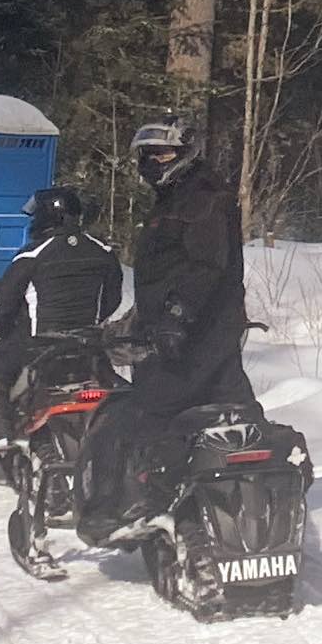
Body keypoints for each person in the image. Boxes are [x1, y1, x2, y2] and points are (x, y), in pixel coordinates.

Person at [89, 116, 256, 527]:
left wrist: (176, 317)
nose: (151, 162)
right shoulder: (175, 198)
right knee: (232, 413)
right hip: (190, 332)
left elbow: (205, 267)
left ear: (184, 154)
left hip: (193, 336)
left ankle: (148, 502)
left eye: (161, 153)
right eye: (145, 155)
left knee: (151, 412)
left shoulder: (202, 199)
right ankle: (211, 497)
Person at [0, 183, 124, 454]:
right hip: (89, 343)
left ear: (46, 216)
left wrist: (2, 326)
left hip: (39, 345)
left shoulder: (32, 255)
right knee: (114, 383)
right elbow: (112, 300)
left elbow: (2, 309)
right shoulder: (103, 252)